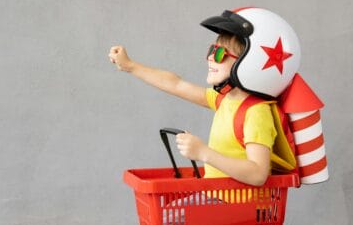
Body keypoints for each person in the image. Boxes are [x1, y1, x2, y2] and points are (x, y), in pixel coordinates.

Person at [108, 10, 291, 187]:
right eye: (212, 50)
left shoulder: (256, 112)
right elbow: (176, 84)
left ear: (249, 65)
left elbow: (258, 174)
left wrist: (204, 153)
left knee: (174, 218)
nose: (211, 58)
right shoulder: (224, 100)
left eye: (220, 54)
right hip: (219, 200)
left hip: (241, 207)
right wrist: (131, 66)